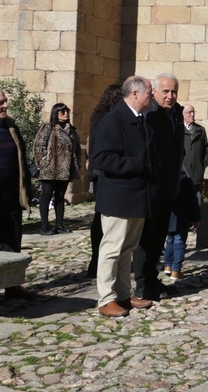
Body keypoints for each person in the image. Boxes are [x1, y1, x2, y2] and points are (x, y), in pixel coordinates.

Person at [91, 76, 157, 318]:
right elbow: (101, 158)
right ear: (135, 94)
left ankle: (122, 294)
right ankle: (106, 298)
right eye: (150, 91)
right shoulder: (113, 120)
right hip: (119, 196)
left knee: (127, 248)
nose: (153, 95)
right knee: (111, 248)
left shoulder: (141, 119)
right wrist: (138, 165)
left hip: (138, 196)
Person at [133, 73, 185, 302]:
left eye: (174, 91)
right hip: (152, 186)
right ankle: (142, 284)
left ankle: (152, 279)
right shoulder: (149, 114)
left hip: (169, 186)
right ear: (154, 92)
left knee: (159, 237)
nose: (170, 96)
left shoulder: (176, 114)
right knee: (147, 238)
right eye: (165, 91)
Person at [0, 87, 35, 300]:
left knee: (11, 240)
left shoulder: (11, 126)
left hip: (10, 196)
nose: (5, 105)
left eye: (6, 101)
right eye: (0, 103)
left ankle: (13, 285)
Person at [86, 83, 124, 278]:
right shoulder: (106, 118)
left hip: (98, 171)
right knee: (102, 219)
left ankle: (97, 261)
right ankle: (98, 262)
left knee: (100, 218)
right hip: (102, 174)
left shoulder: (99, 116)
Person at [33, 103, 81, 235]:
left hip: (65, 169)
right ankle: (44, 226)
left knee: (60, 197)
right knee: (46, 196)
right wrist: (44, 162)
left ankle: (59, 225)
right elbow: (38, 145)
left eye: (67, 111)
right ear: (56, 113)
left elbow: (77, 149)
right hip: (49, 169)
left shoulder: (72, 130)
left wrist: (76, 164)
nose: (66, 113)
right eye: (62, 111)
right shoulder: (48, 127)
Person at [163, 169, 201, 280]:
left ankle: (167, 265)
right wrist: (195, 218)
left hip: (168, 218)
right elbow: (192, 202)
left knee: (170, 241)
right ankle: (176, 270)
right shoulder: (185, 180)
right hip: (181, 218)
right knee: (179, 243)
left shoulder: (164, 178)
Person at [182, 103, 208, 204]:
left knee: (197, 201)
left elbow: (206, 148)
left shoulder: (200, 130)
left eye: (193, 112)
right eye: (189, 112)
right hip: (182, 173)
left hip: (197, 172)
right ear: (183, 114)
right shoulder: (179, 129)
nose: (192, 114)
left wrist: (203, 164)